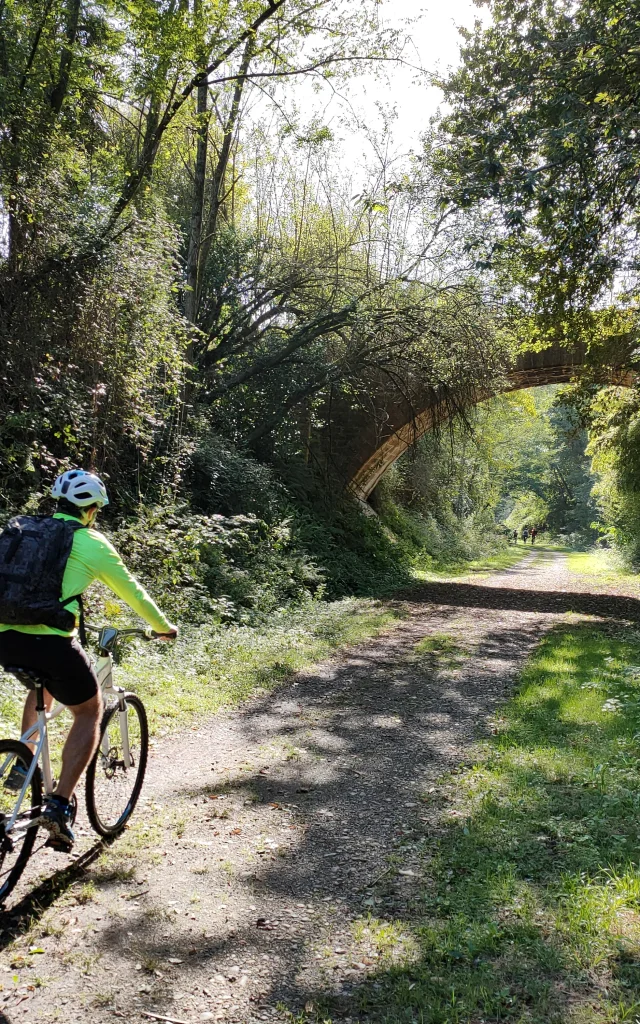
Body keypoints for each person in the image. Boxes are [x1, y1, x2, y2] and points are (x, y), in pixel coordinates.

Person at [0, 470, 178, 851]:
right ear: (92, 510)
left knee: (42, 687)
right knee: (88, 710)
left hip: (5, 637)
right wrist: (163, 627)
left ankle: (23, 760)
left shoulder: (22, 529)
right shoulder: (91, 542)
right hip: (50, 644)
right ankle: (60, 805)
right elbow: (132, 591)